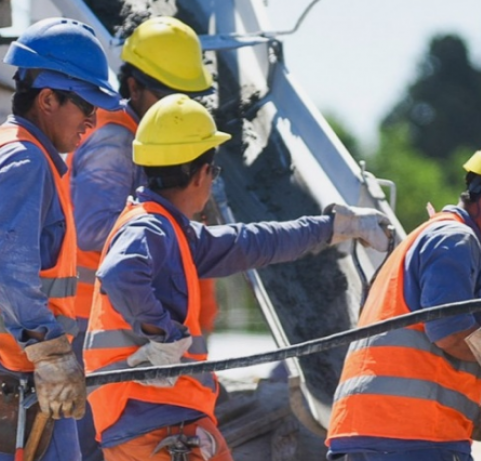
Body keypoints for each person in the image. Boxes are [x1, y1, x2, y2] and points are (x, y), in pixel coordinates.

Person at [83, 93, 391, 461]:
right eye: (213, 172)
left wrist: (333, 227)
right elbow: (119, 273)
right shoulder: (150, 227)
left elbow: (254, 242)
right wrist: (162, 335)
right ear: (201, 174)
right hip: (155, 419)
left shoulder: (169, 230)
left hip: (153, 419)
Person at [326, 138, 481, 461]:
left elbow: (418, 358)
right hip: (409, 439)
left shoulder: (432, 237)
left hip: (380, 433)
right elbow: (451, 333)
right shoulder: (455, 240)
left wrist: (474, 416)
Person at [64, 16, 218, 460]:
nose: (177, 106)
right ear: (132, 86)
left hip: (122, 321)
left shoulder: (148, 143)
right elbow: (94, 229)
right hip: (90, 323)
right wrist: (166, 222)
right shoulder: (116, 142)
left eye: (187, 96)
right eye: (167, 94)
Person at [0, 17, 121, 461]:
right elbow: (7, 268)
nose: (93, 120)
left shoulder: (14, 150)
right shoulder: (26, 160)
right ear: (48, 99)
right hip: (24, 379)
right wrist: (49, 353)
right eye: (86, 104)